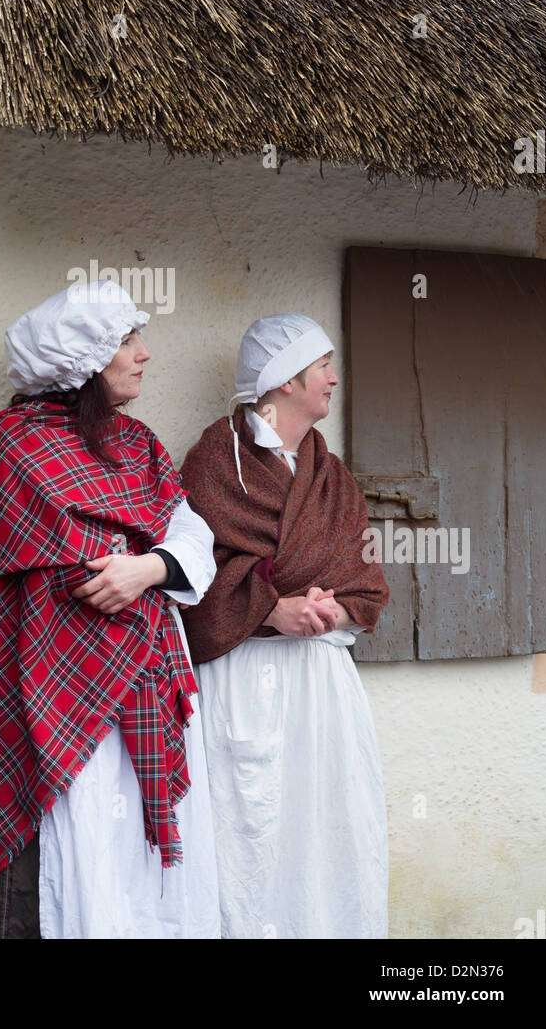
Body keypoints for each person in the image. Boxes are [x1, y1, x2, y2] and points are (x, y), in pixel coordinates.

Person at [0, 279, 220, 939]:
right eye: (127, 340)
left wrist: (146, 568)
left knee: (143, 861)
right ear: (85, 362)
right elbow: (51, 571)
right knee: (76, 852)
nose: (144, 353)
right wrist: (116, 567)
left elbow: (192, 535)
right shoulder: (10, 448)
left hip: (144, 687)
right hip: (52, 691)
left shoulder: (138, 444)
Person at [180, 313, 390, 939]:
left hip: (322, 689)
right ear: (284, 379)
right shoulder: (216, 463)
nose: (333, 377)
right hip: (241, 680)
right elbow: (188, 582)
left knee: (328, 831)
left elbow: (368, 582)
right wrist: (271, 608)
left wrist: (332, 610)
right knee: (246, 833)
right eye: (321, 365)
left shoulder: (333, 475)